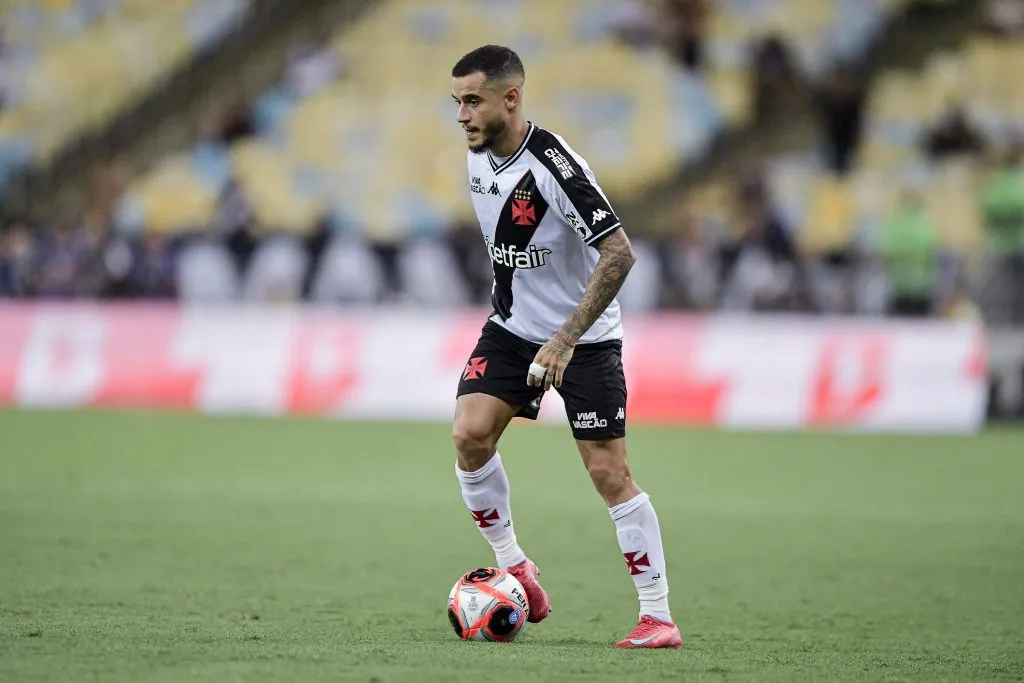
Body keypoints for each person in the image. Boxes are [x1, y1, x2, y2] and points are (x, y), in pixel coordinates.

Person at [449, 45, 681, 649]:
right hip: (511, 328)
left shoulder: (554, 167)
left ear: (511, 99)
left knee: (610, 473)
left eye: (473, 101)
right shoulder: (476, 155)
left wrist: (565, 339)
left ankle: (658, 616)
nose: (463, 116)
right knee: (469, 435)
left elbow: (620, 253)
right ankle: (515, 564)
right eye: (458, 103)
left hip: (584, 340)